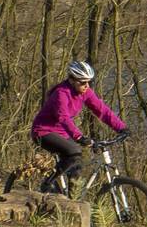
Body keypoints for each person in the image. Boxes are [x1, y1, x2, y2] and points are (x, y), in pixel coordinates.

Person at [30, 61, 127, 191]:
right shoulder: (61, 93)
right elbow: (63, 117)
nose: (86, 85)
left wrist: (121, 127)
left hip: (63, 133)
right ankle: (48, 183)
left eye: (89, 82)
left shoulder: (85, 92)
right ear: (71, 79)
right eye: (82, 82)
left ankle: (70, 198)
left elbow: (102, 110)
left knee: (77, 164)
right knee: (74, 151)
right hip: (43, 132)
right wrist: (79, 137)